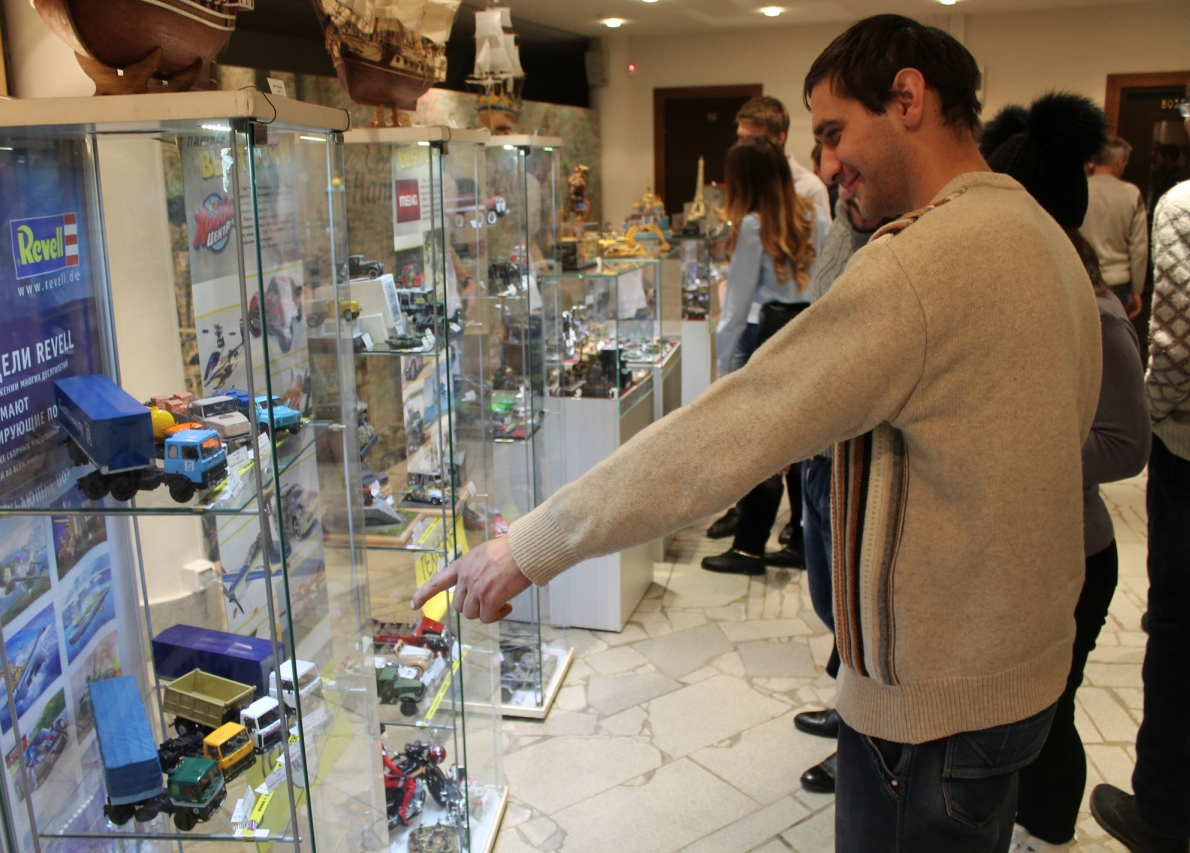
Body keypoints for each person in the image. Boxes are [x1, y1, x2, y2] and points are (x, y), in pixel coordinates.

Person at [415, 15, 1101, 851]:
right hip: (1022, 681)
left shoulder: (924, 262)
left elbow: (730, 433)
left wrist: (529, 546)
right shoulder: (1044, 235)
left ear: (908, 98)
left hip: (933, 711)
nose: (827, 165)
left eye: (836, 133)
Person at [973, 93, 1152, 853]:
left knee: (1049, 713)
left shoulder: (1096, 311)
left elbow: (1126, 444)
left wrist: (1012, 452)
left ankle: (1047, 833)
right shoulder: (1011, 293)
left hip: (1073, 554)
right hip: (1014, 552)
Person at [1091, 72, 1190, 853]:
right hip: (1116, 290)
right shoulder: (1138, 198)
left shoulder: (1185, 205)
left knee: (1182, 626)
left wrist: (1147, 414)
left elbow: (1179, 347)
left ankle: (1162, 808)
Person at [791, 187, 889, 796]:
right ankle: (848, 710)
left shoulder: (900, 236)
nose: (831, 168)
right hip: (823, 452)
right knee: (832, 603)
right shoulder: (846, 219)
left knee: (859, 614)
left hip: (859, 458)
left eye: (836, 142)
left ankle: (860, 741)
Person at [706, 95, 833, 545]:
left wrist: (723, 371)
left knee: (754, 442)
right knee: (797, 438)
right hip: (807, 330)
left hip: (767, 333)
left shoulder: (755, 226)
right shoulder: (812, 213)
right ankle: (797, 532)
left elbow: (735, 311)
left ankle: (750, 542)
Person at [1080, 136, 1148, 318]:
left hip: (1080, 276)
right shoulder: (1131, 194)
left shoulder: (1079, 189)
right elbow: (1139, 248)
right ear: (1120, 161)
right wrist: (1137, 290)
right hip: (1117, 280)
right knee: (1113, 333)